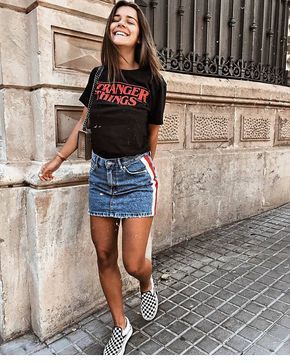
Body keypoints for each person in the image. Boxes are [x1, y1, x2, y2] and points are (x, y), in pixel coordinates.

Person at [38, 0, 167, 355]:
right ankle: (120, 325)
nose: (120, 23)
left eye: (130, 20)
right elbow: (83, 123)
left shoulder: (153, 81)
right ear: (110, 29)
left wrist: (143, 168)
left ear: (140, 34)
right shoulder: (98, 75)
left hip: (137, 175)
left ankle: (146, 282)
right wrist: (58, 159)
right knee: (104, 254)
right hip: (100, 175)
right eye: (116, 18)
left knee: (133, 261)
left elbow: (152, 133)